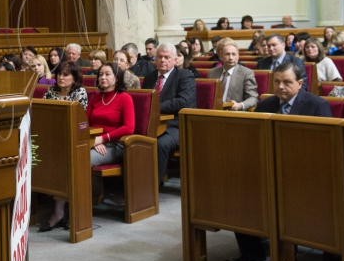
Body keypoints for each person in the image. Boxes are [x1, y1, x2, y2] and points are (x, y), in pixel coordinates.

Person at [230, 64, 332, 261]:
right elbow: (254, 140)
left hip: (304, 171)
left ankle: (285, 260)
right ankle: (253, 254)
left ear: (300, 83)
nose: (281, 86)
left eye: (287, 82)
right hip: (269, 166)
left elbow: (325, 146)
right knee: (239, 191)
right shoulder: (265, 105)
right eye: (277, 81)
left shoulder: (317, 105)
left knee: (286, 196)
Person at [38, 63, 90, 232]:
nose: (61, 77)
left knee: (63, 163)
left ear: (74, 77)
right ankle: (57, 212)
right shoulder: (51, 92)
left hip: (72, 139)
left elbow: (79, 122)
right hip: (51, 138)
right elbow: (43, 115)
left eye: (66, 75)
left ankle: (61, 213)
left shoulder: (80, 93)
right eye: (59, 74)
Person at [143, 44, 197, 181]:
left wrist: (155, 107)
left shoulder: (184, 76)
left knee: (160, 143)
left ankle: (153, 185)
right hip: (151, 124)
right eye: (160, 57)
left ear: (174, 60)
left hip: (175, 126)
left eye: (167, 57)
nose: (163, 60)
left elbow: (183, 102)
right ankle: (135, 182)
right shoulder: (149, 78)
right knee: (135, 141)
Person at [88, 64, 135, 168]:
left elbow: (129, 128)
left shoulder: (125, 98)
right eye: (100, 75)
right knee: (67, 154)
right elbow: (85, 123)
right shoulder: (95, 98)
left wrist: (102, 139)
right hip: (93, 141)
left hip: (116, 144)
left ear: (117, 78)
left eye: (107, 74)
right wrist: (94, 140)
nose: (103, 77)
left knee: (84, 158)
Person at [208, 43, 259, 111]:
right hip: (213, 112)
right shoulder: (212, 72)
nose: (231, 58)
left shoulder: (246, 73)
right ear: (221, 56)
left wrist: (240, 105)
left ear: (238, 56)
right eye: (227, 54)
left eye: (234, 54)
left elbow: (253, 98)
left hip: (234, 113)